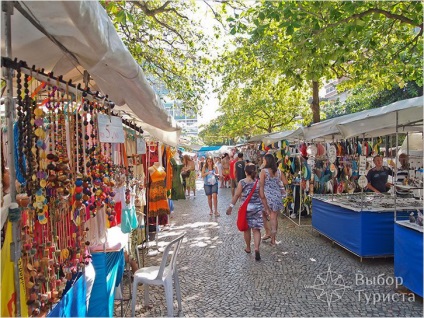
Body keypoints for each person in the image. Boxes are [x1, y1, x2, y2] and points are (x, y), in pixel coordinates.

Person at [226, 164, 264, 261]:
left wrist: (230, 207)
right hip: (257, 207)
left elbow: (236, 195)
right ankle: (257, 248)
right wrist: (266, 208)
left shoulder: (242, 182)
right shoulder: (258, 182)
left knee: (246, 229)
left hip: (246, 208)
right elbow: (262, 196)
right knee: (256, 230)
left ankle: (248, 247)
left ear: (245, 172)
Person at [259, 153, 288, 246]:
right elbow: (286, 182)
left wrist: (262, 195)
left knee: (264, 215)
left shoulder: (263, 171)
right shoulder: (279, 171)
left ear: (267, 161)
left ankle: (268, 233)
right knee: (274, 217)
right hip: (277, 196)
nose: (263, 162)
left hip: (266, 197)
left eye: (264, 160)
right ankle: (273, 239)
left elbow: (261, 185)